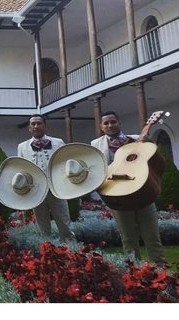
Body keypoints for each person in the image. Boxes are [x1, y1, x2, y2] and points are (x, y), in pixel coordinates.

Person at [91, 111, 166, 264]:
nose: (110, 125)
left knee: (152, 237)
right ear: (101, 126)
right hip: (118, 198)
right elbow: (96, 170)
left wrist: (150, 143)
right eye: (106, 123)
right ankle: (134, 273)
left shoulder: (137, 140)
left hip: (143, 194)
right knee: (128, 239)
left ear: (119, 123)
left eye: (113, 121)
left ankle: (160, 270)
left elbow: (156, 162)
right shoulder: (95, 145)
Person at [17, 114, 76, 242]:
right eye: (33, 124)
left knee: (63, 219)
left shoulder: (58, 142)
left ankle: (71, 247)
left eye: (39, 123)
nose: (36, 126)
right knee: (42, 222)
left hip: (56, 188)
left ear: (45, 126)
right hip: (36, 190)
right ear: (29, 128)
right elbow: (23, 168)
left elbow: (65, 162)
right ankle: (47, 249)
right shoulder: (22, 146)